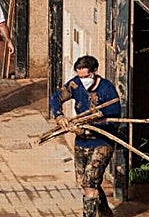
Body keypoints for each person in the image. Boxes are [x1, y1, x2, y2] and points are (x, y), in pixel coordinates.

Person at [50, 55, 122, 217]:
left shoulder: (107, 90)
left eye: (86, 76)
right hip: (81, 143)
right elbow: (56, 97)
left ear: (94, 71)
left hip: (102, 142)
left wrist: (89, 130)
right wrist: (59, 116)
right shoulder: (75, 84)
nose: (83, 80)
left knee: (90, 184)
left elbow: (113, 121)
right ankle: (105, 212)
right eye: (80, 76)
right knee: (86, 182)